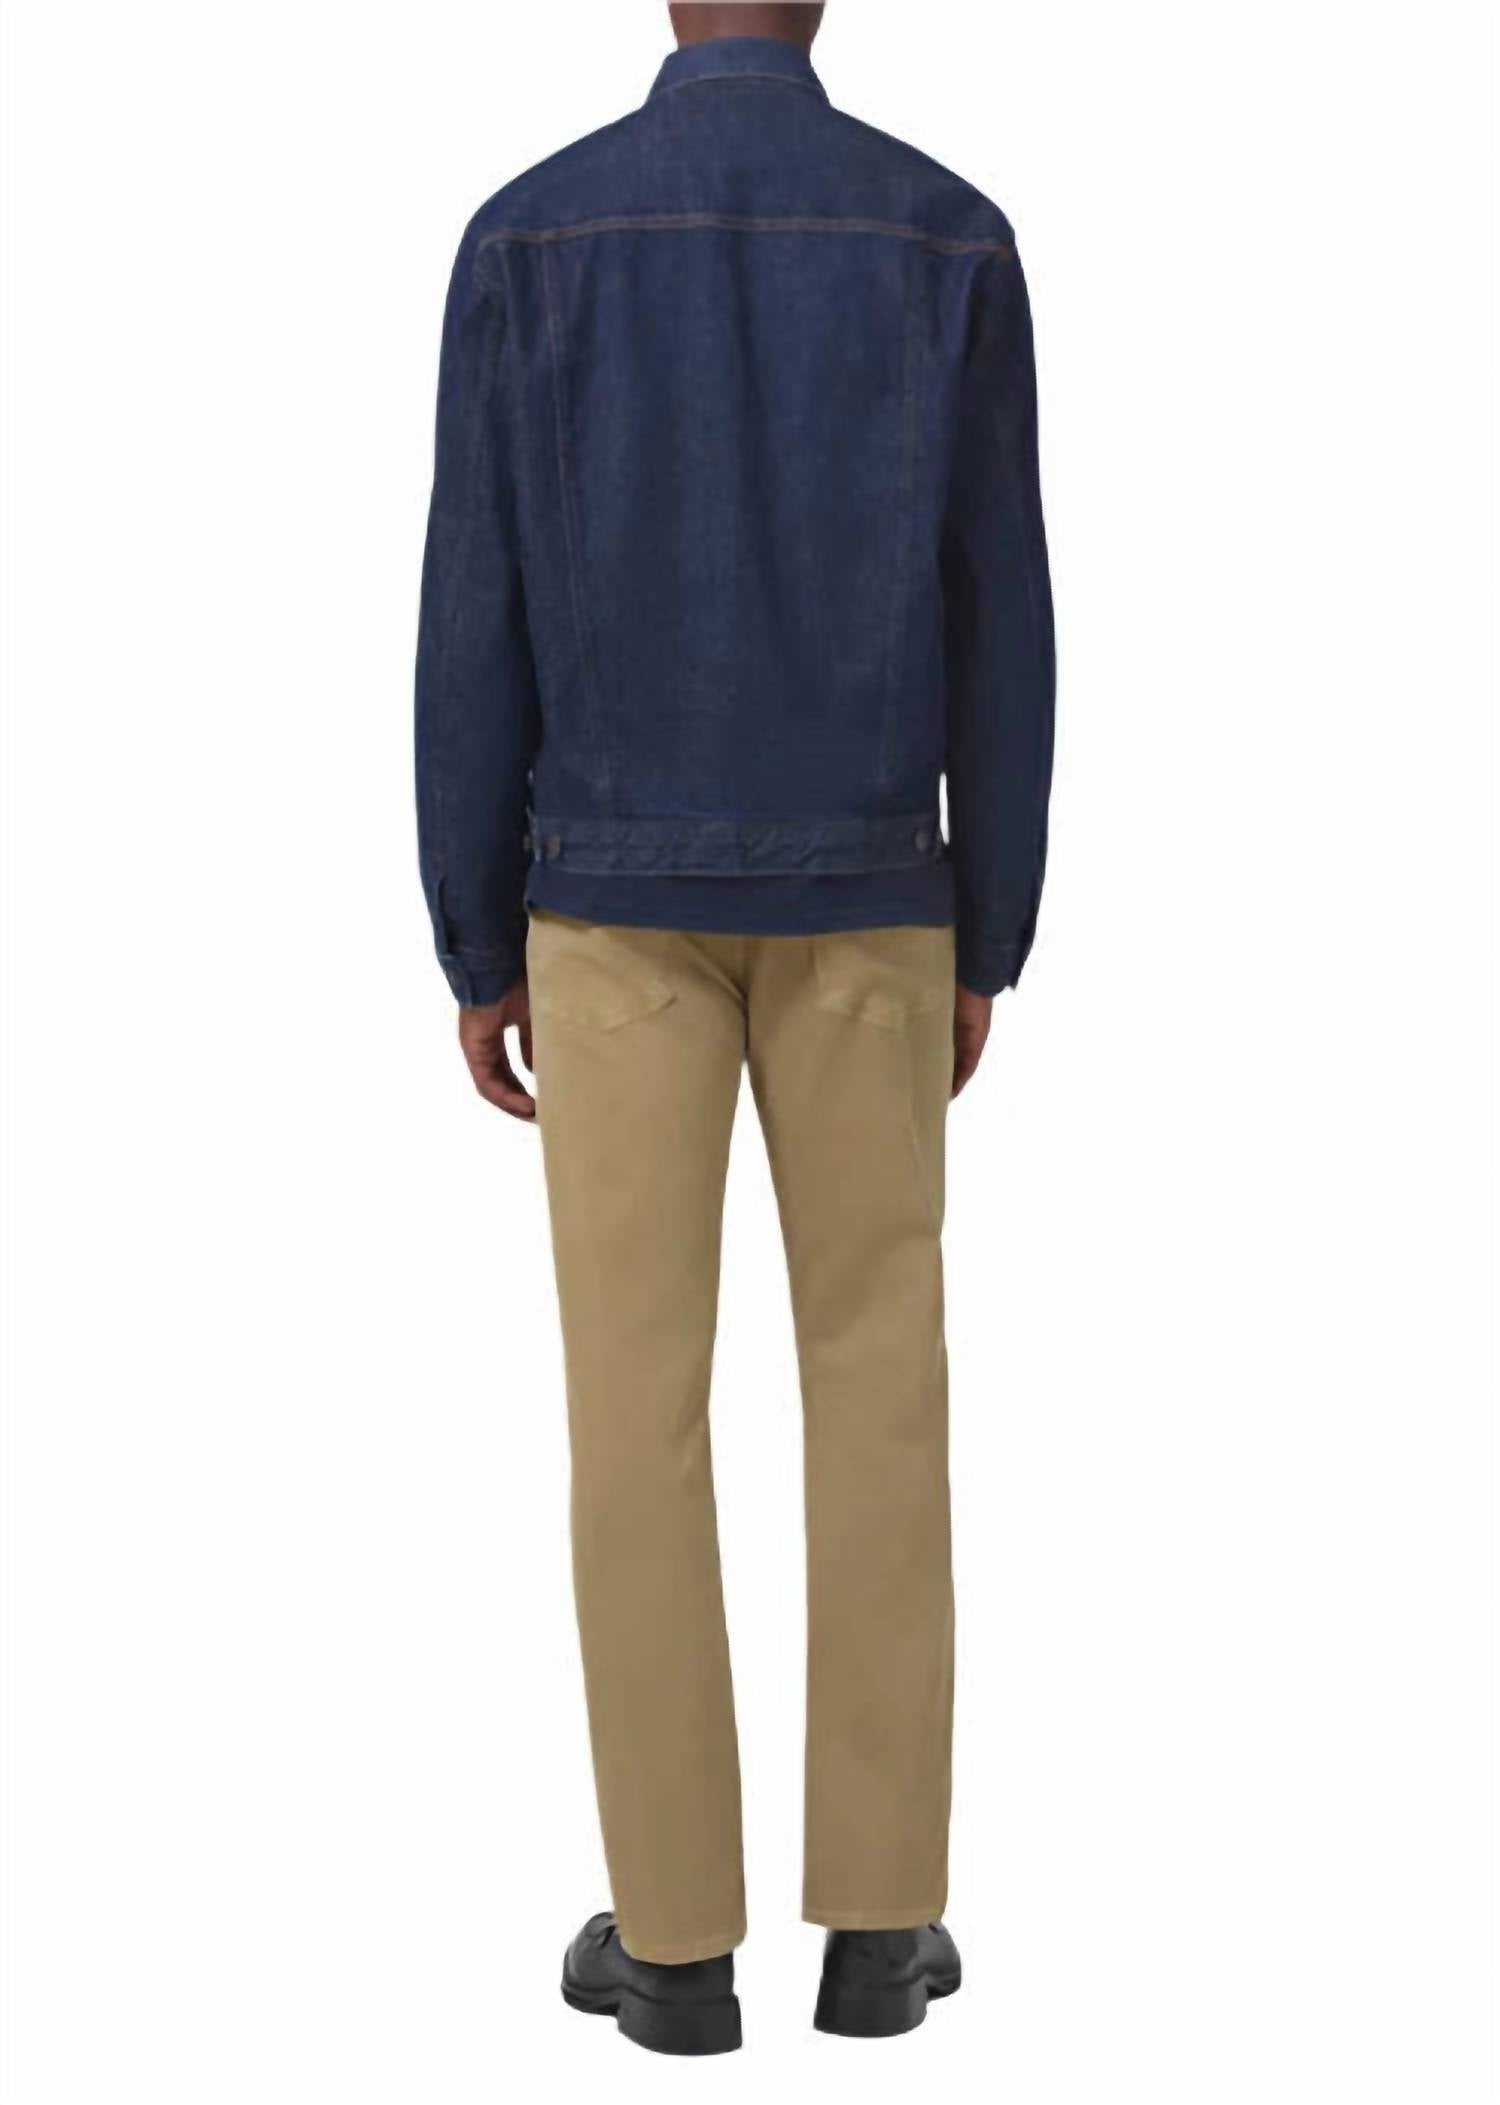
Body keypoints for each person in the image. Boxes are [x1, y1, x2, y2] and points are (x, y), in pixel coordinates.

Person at [415, 0, 1053, 2055]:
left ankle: (677, 1949)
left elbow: (474, 615)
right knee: (880, 1384)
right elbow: (1003, 614)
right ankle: (880, 1924)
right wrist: (991, 923)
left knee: (635, 1406)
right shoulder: (946, 235)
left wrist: (474, 940)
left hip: (609, 903)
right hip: (872, 892)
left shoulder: (531, 237)